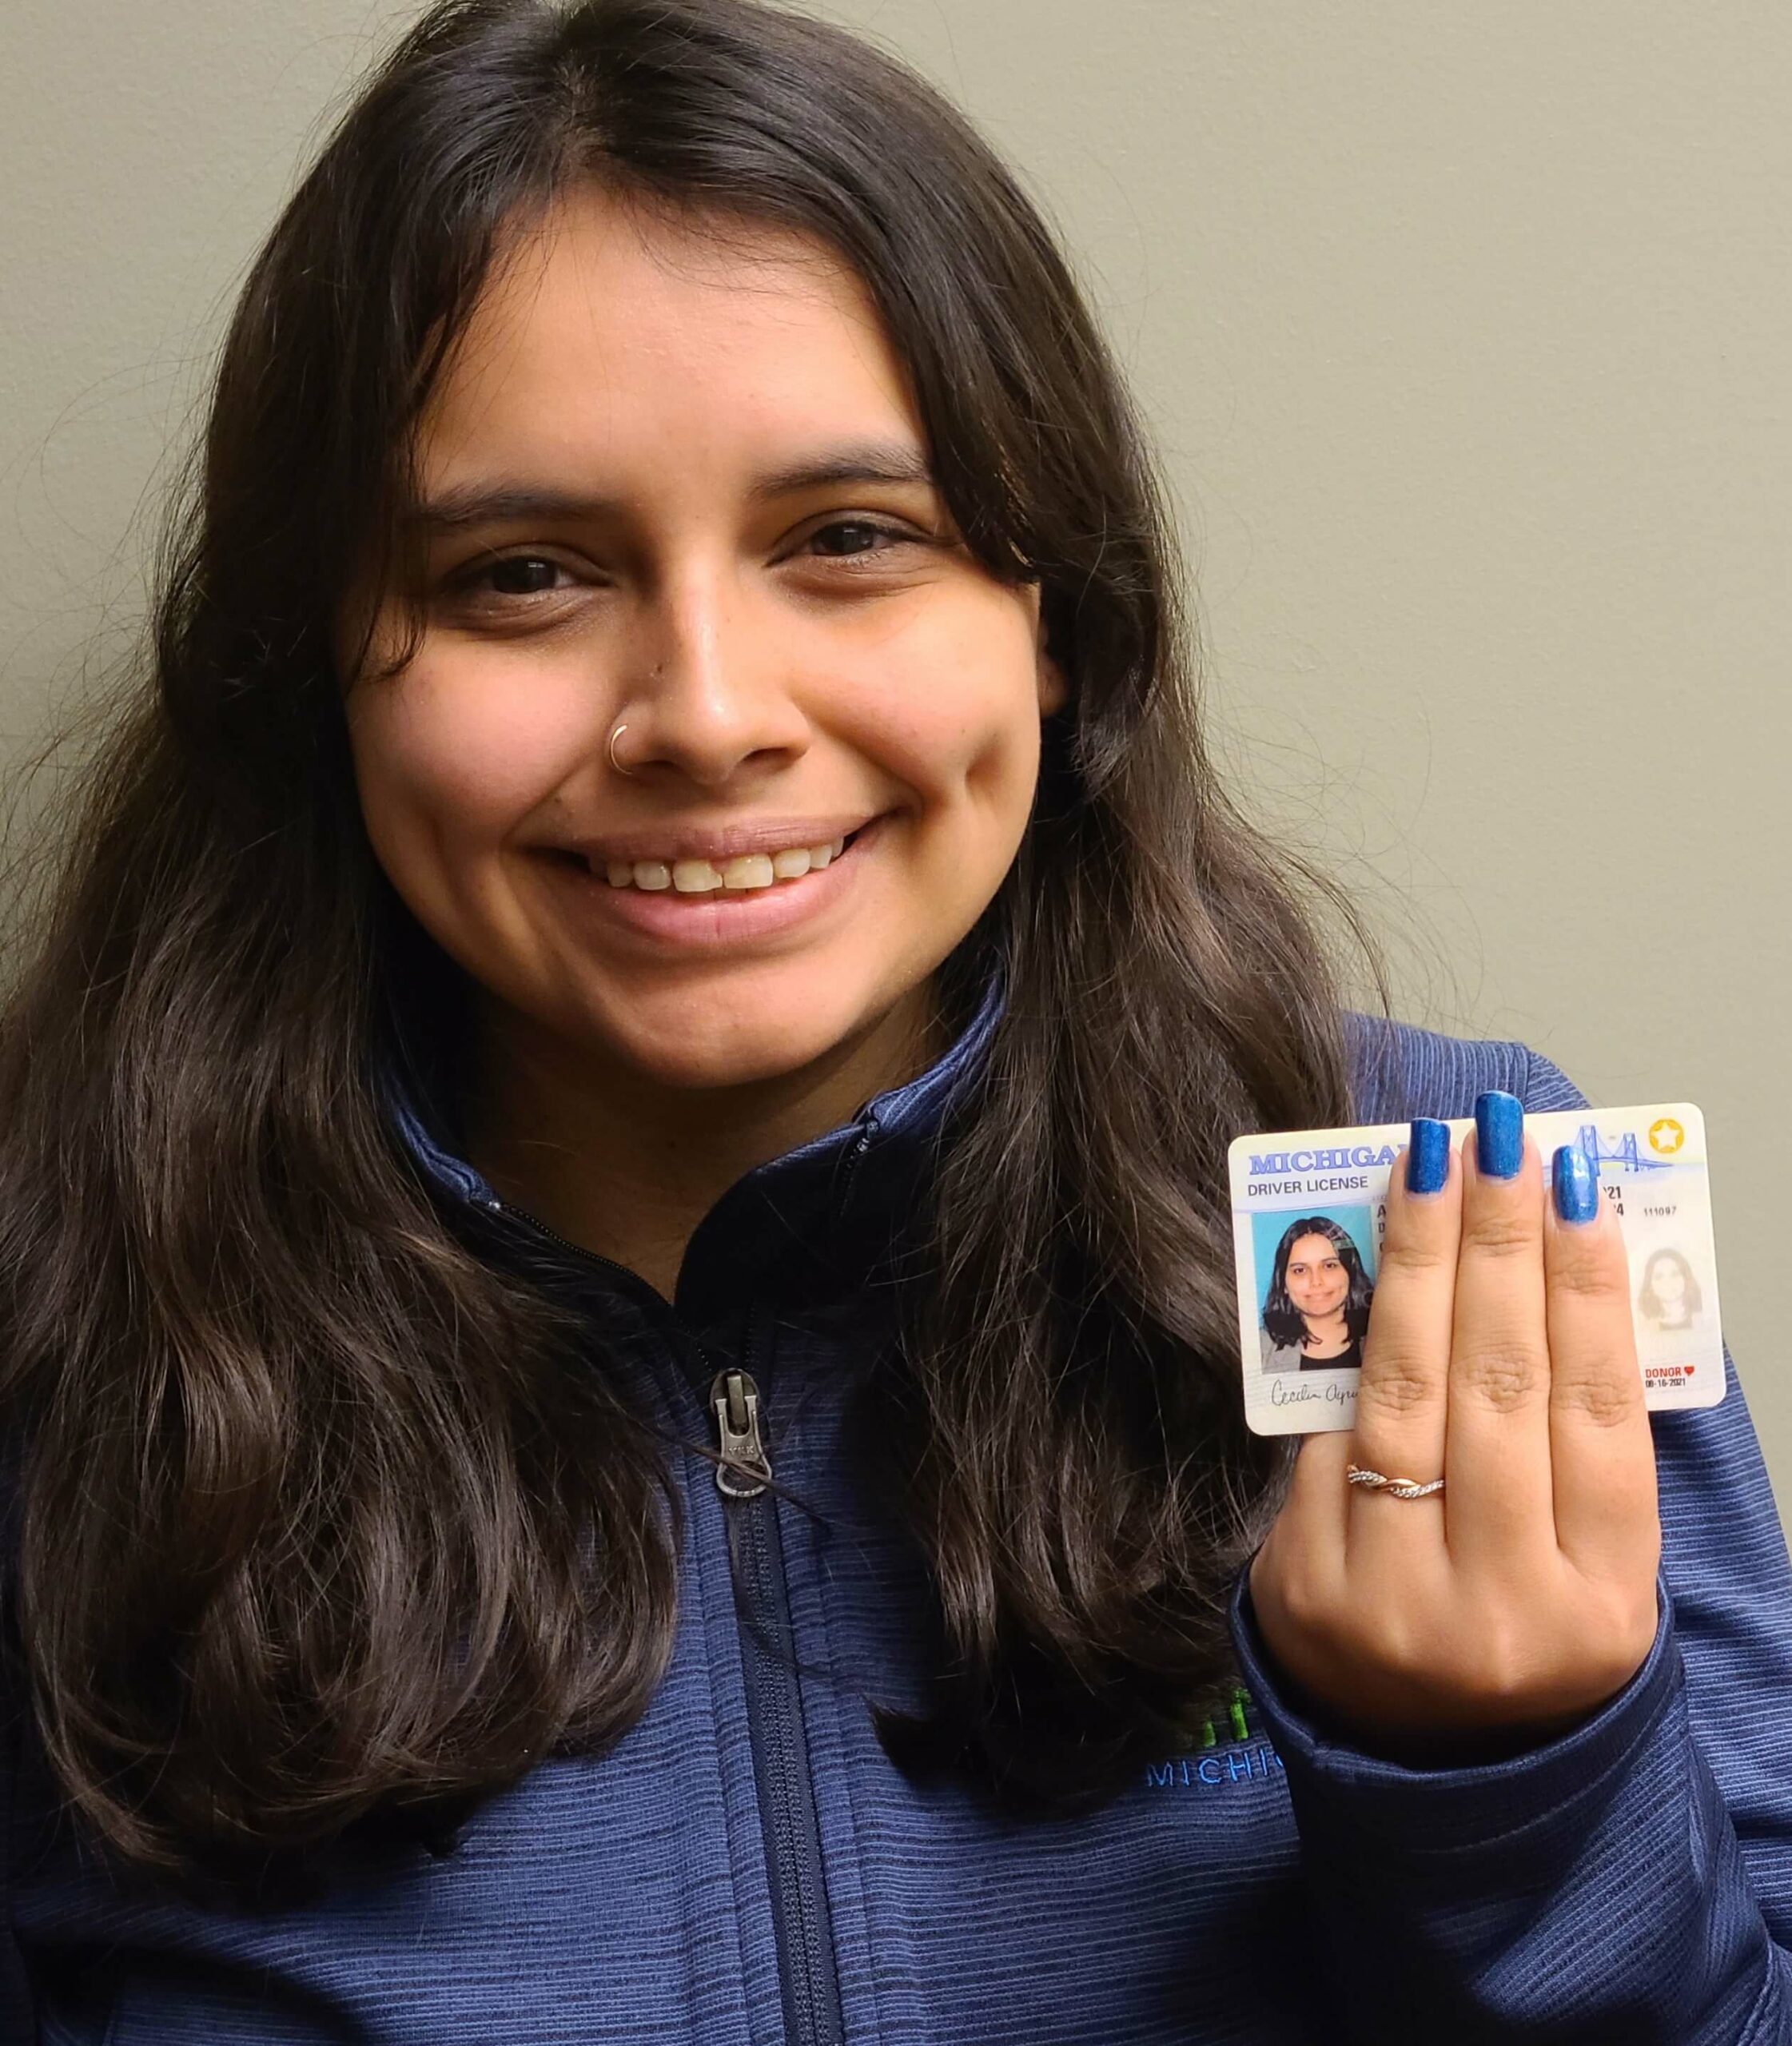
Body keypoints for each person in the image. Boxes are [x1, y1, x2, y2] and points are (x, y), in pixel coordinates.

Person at [0, 2, 1788, 2040]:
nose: (706, 709)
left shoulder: (1453, 1234)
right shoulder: (48, 1326)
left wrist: (1514, 1799)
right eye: (521, 572)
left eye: (848, 539)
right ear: (310, 659)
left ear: (1056, 620)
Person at [1259, 1216, 1374, 1371]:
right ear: (1283, 1283)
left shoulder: (1386, 1336)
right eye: (1300, 1270)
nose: (1316, 1281)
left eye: (1329, 1266)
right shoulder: (1260, 1349)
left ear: (1350, 1272)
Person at [1639, 1245, 1704, 1331]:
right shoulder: (1644, 1329)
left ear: (1686, 1278)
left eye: (1675, 1274)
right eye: (1659, 1277)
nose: (1668, 1282)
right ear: (1650, 1285)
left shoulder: (1704, 1320)